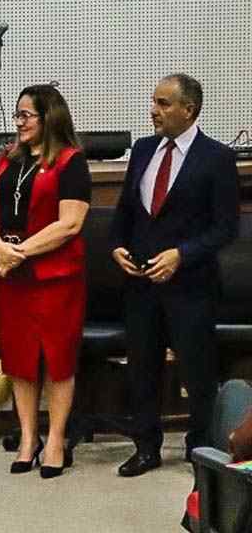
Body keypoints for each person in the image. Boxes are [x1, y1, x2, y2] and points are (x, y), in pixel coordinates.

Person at [109, 73, 239, 477]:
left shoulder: (216, 158)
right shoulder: (144, 151)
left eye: (164, 104)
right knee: (142, 370)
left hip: (191, 286)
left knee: (198, 374)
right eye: (154, 101)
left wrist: (181, 255)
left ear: (189, 110)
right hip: (141, 285)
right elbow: (125, 214)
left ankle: (200, 450)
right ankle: (146, 448)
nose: (154, 111)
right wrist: (117, 247)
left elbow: (225, 228)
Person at [0, 85, 91, 478]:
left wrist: (19, 251)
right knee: (20, 358)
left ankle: (56, 439)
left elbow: (70, 223)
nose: (19, 122)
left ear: (49, 118)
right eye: (18, 115)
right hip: (11, 275)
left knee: (56, 358)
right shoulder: (8, 160)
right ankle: (28, 438)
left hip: (54, 277)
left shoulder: (70, 162)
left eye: (27, 115)